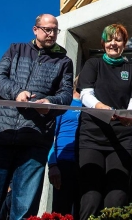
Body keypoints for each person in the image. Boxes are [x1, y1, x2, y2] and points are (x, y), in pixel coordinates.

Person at [0, 13, 73, 220]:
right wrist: (17, 92)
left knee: (24, 211)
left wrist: (50, 104)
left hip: (35, 141)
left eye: (55, 30)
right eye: (47, 29)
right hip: (1, 135)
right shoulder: (15, 49)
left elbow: (65, 95)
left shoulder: (64, 62)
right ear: (35, 30)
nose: (52, 34)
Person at [77, 23, 132, 219]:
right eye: (109, 39)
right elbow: (86, 94)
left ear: (124, 44)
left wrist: (129, 115)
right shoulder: (93, 64)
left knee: (117, 197)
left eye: (118, 39)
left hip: (122, 139)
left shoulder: (131, 70)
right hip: (92, 137)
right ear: (103, 43)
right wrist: (102, 108)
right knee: (91, 196)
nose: (113, 43)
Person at [47, 77, 82, 216]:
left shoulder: (90, 106)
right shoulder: (65, 104)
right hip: (63, 162)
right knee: (61, 210)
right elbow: (51, 135)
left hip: (84, 163)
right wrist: (53, 164)